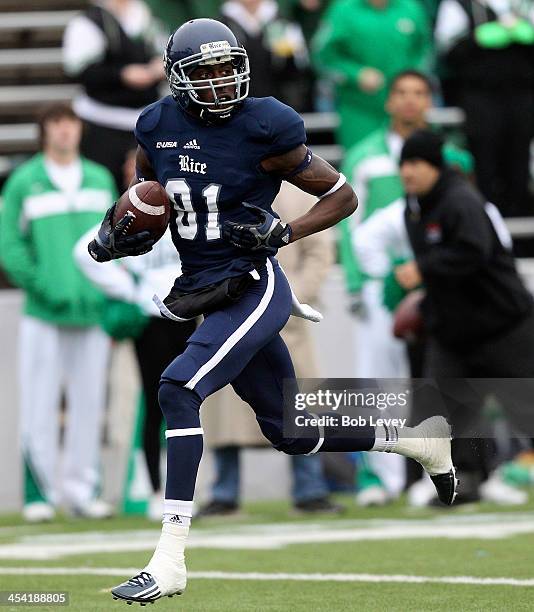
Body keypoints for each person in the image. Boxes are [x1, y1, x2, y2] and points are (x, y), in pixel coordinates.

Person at [86, 19, 456, 604]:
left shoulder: (266, 123)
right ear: (179, 78)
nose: (218, 81)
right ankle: (414, 439)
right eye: (204, 72)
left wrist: (286, 229)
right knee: (290, 430)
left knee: (177, 388)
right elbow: (154, 200)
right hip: (204, 288)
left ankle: (169, 558)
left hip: (253, 283)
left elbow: (342, 195)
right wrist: (117, 234)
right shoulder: (155, 125)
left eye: (225, 68)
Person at [337, 71, 471, 505]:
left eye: (419, 93)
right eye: (402, 93)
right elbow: (348, 223)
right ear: (389, 102)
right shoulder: (365, 155)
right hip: (381, 287)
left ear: (429, 102)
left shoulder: (452, 157)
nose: (410, 101)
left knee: (438, 378)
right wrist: (357, 283)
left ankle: (439, 472)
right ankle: (382, 478)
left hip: (436, 282)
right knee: (379, 384)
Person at [399, 129, 534, 502]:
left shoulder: (461, 201)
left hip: (503, 325)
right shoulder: (413, 207)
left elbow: (474, 252)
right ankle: (464, 483)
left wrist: (425, 268)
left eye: (416, 163)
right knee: (444, 412)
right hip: (455, 332)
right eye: (404, 164)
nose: (408, 172)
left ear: (435, 167)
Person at [0, 104, 116, 522]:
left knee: (89, 404)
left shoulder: (101, 179)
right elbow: (9, 245)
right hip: (43, 314)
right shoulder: (24, 182)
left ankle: (84, 491)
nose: (65, 132)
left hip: (93, 313)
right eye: (56, 125)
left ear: (79, 129)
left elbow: (117, 243)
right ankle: (39, 494)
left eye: (70, 124)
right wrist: (45, 288)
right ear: (45, 131)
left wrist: (108, 290)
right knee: (38, 402)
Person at [199, 181, 341, 516]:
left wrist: (289, 299)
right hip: (226, 309)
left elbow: (320, 252)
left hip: (284, 315)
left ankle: (310, 489)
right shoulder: (215, 188)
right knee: (224, 402)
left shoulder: (299, 193)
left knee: (299, 402)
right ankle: (224, 492)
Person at [74, 150, 197, 521]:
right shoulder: (125, 211)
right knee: (154, 401)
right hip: (149, 317)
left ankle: (183, 492)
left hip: (183, 311)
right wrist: (128, 288)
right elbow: (83, 252)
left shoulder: (181, 207)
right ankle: (156, 491)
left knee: (186, 402)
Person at [435, 0, 534, 216]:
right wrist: (476, 39)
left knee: (519, 169)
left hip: (522, 97)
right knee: (485, 168)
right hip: (480, 98)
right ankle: (485, 228)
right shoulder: (459, 5)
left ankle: (520, 237)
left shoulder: (524, 4)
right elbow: (448, 54)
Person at [62, 0, 167, 191]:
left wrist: (159, 67)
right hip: (101, 123)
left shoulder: (146, 15)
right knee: (104, 187)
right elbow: (78, 70)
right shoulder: (88, 21)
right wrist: (121, 74)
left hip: (145, 121)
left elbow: (162, 51)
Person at [311, 0, 432, 149]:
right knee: (361, 163)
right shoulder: (343, 10)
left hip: (405, 107)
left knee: (417, 161)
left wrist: (410, 78)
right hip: (360, 109)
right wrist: (356, 74)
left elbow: (425, 50)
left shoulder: (411, 7)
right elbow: (322, 57)